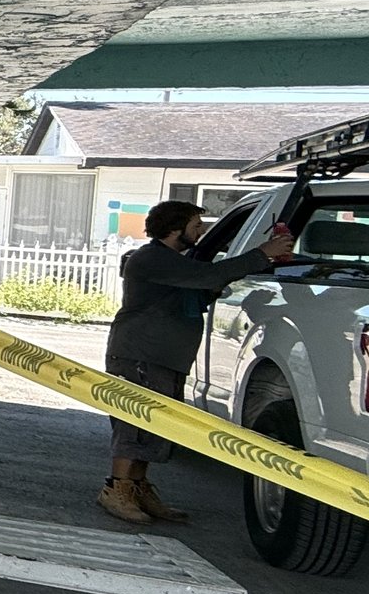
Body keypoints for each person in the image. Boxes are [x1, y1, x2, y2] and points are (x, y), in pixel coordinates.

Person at [98, 199, 294, 524]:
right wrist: (264, 252)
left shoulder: (174, 261)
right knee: (134, 423)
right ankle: (116, 489)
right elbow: (206, 276)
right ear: (175, 229)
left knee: (153, 426)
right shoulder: (152, 259)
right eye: (195, 225)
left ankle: (137, 487)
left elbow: (201, 287)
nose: (200, 231)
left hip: (164, 357)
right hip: (141, 355)